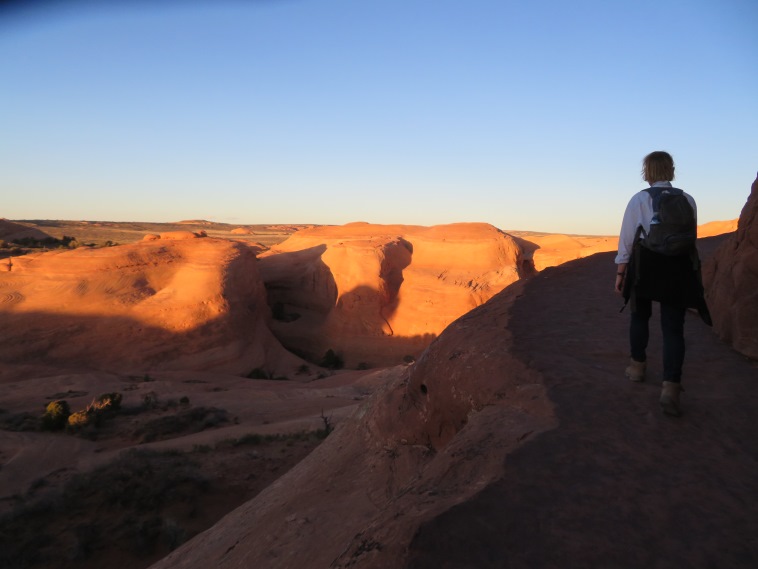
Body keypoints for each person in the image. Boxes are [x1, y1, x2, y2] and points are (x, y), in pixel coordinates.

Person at [614, 151, 709, 417]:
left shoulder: (640, 199)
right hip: (678, 266)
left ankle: (637, 367)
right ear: (671, 170)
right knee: (673, 329)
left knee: (639, 316)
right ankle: (671, 387)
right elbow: (689, 236)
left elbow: (627, 239)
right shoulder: (687, 199)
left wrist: (621, 274)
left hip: (647, 264)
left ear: (648, 172)